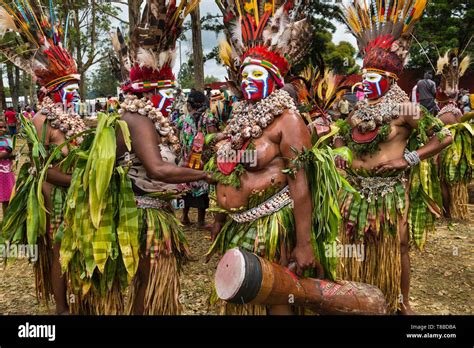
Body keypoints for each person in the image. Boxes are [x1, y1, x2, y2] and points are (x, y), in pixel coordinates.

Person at [206, 0, 342, 315]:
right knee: (244, 300)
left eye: (258, 74)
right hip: (239, 225)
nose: (248, 80)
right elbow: (228, 172)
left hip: (273, 226)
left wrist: (304, 243)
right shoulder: (239, 117)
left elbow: (301, 184)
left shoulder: (288, 121)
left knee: (277, 298)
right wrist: (220, 217)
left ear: (274, 79)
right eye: (245, 75)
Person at [89, 2, 213, 315]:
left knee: (147, 282)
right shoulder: (138, 119)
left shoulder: (143, 117)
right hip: (143, 217)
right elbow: (158, 169)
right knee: (146, 281)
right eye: (168, 90)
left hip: (149, 211)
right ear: (150, 90)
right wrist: (201, 176)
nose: (173, 97)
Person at [336, 0, 453, 315]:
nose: (367, 83)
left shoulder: (406, 109)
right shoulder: (358, 109)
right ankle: (356, 296)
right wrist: (341, 152)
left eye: (374, 77)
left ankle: (401, 302)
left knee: (397, 245)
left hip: (389, 191)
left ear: (390, 79)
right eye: (365, 76)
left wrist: (410, 158)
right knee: (354, 245)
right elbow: (338, 138)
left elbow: (444, 136)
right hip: (356, 190)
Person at [0, 0, 87, 314]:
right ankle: (63, 309)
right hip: (55, 197)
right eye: (71, 90)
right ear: (55, 90)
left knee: (78, 250)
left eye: (77, 91)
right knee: (59, 251)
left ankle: (81, 302)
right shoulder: (42, 120)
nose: (77, 96)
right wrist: (80, 179)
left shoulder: (75, 118)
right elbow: (40, 169)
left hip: (78, 193)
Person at [436, 50, 472, 219]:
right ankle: (453, 210)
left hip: (448, 152)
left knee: (445, 181)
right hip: (454, 152)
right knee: (452, 182)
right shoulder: (454, 112)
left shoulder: (446, 113)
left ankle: (449, 211)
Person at [177, 91, 217, 228]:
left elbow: (178, 137)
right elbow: (213, 137)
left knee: (187, 185)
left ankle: (185, 217)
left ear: (189, 104)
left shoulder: (183, 119)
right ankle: (200, 221)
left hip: (186, 159)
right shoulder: (208, 117)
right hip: (202, 160)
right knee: (202, 186)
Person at [0, 120, 15, 216]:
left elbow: (11, 154)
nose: (2, 129)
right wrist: (7, 152)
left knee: (7, 198)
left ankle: (6, 220)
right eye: (0, 127)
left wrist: (12, 155)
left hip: (7, 172)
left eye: (4, 127)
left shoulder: (8, 141)